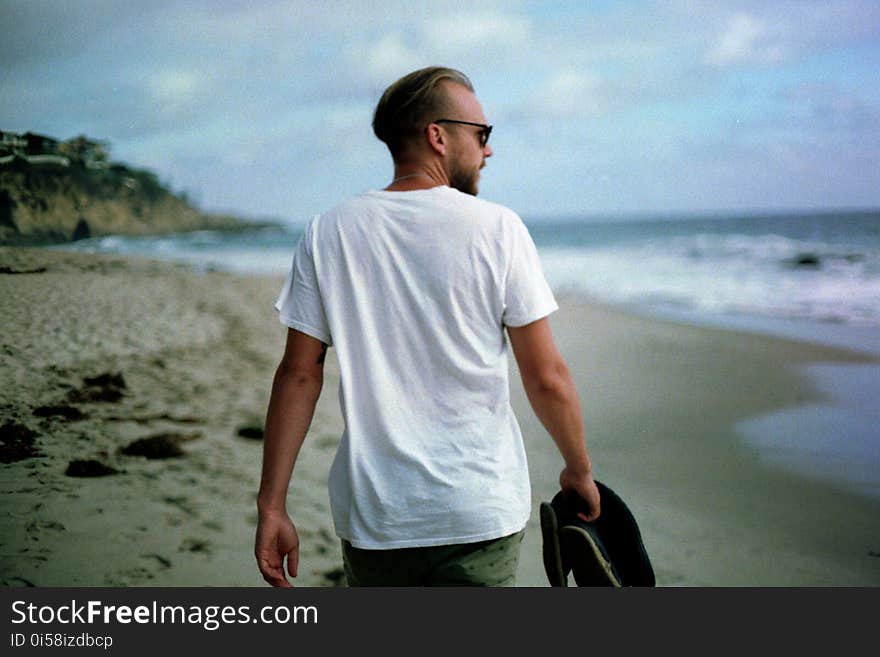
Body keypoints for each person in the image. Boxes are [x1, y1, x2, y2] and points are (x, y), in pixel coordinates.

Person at [255, 66, 600, 587]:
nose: (488, 151)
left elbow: (300, 374)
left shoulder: (329, 233)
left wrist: (272, 505)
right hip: (476, 509)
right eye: (482, 135)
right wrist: (578, 469)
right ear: (437, 136)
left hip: (378, 518)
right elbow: (546, 375)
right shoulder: (498, 229)